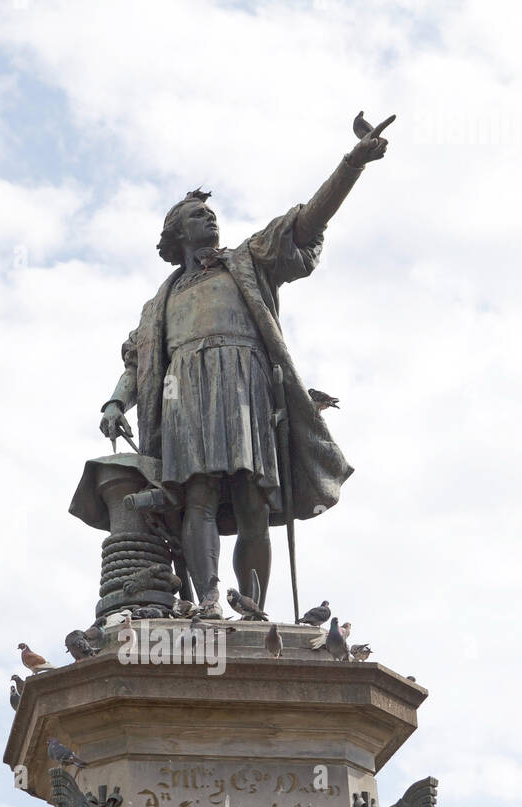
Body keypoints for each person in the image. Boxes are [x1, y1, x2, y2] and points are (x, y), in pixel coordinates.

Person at [99, 116, 394, 615]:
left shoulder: (248, 261)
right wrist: (115, 400)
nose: (209, 221)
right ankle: (209, 598)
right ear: (176, 234)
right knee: (197, 499)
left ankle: (252, 605)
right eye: (196, 216)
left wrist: (352, 164)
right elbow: (140, 363)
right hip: (183, 393)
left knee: (254, 500)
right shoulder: (160, 304)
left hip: (244, 386)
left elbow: (305, 222)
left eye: (211, 215)